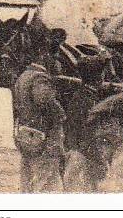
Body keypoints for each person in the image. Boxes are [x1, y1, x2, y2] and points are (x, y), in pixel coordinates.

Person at [12, 55, 66, 193]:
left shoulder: (23, 76)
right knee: (47, 185)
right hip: (44, 138)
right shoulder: (40, 78)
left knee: (28, 181)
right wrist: (60, 112)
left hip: (27, 135)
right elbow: (45, 102)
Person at [62, 53, 110, 193]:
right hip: (84, 159)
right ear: (99, 77)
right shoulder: (90, 100)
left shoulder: (79, 96)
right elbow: (90, 135)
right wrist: (100, 160)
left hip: (75, 155)